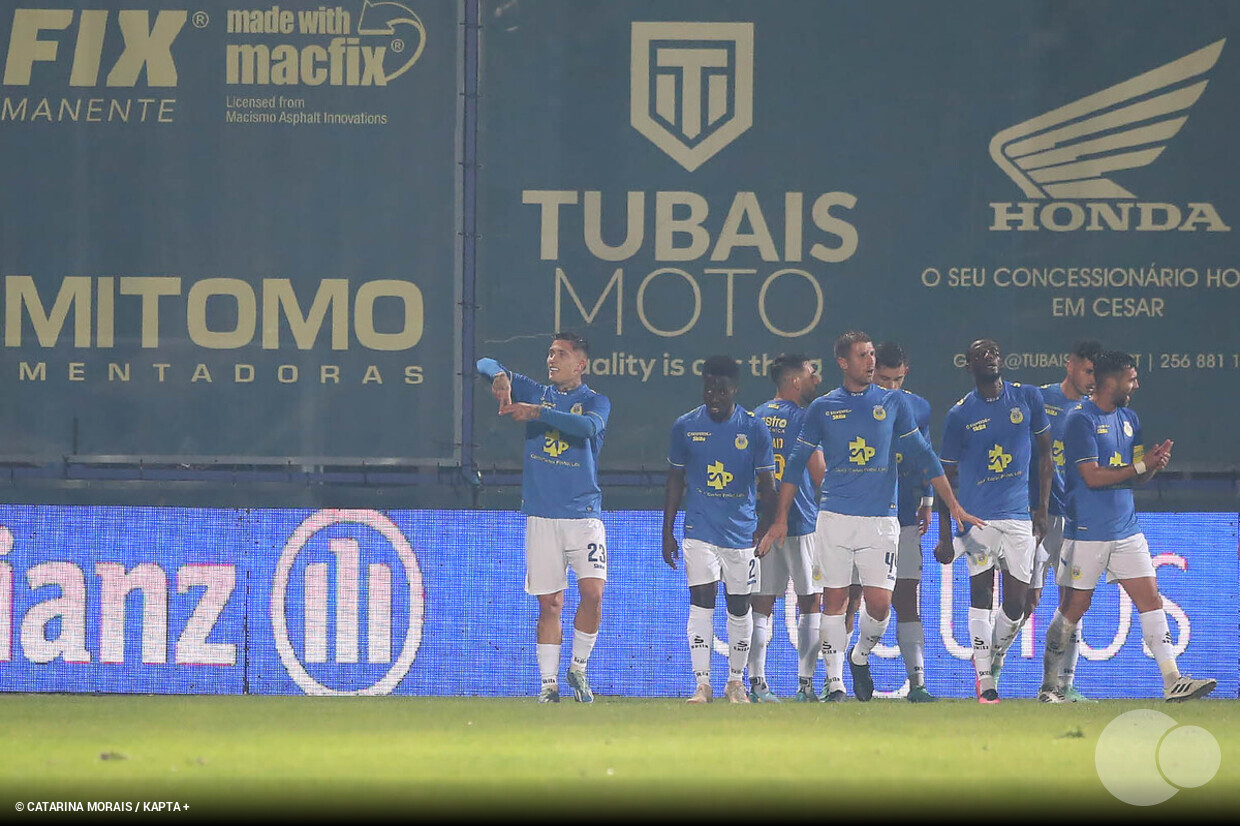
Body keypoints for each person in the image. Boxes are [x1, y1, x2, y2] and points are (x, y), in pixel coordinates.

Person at [759, 331, 984, 703]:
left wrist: (952, 503)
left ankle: (859, 654)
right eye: (862, 355)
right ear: (844, 363)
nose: (870, 361)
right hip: (833, 518)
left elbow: (925, 456)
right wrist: (781, 517)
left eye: (871, 354)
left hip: (881, 521)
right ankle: (834, 684)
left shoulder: (894, 403)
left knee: (879, 605)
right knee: (833, 600)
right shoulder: (824, 408)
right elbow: (796, 464)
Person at [1040, 350, 1215, 703]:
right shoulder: (1080, 421)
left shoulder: (1129, 418)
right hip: (1087, 531)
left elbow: (1131, 476)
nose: (1137, 384)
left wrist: (1152, 467)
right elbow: (1090, 476)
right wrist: (1139, 468)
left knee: (1150, 600)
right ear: (1110, 382)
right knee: (1074, 608)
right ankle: (1050, 686)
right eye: (1131, 378)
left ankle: (1173, 681)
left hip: (1126, 529)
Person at [476, 332, 610, 703]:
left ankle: (578, 669)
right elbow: (483, 363)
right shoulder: (535, 389)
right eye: (550, 353)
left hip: (583, 515)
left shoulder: (595, 401)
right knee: (549, 603)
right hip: (542, 516)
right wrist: (499, 376)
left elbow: (588, 428)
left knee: (593, 593)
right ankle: (548, 686)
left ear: (580, 364)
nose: (552, 359)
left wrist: (539, 413)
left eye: (561, 354)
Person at [933, 338, 1052, 704]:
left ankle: (990, 655)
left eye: (993, 353)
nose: (988, 358)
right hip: (977, 519)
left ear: (1002, 359)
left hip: (1019, 518)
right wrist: (944, 532)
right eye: (979, 355)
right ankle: (986, 680)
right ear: (968, 366)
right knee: (981, 595)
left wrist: (1042, 508)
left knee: (1017, 605)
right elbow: (945, 477)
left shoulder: (1027, 398)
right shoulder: (960, 415)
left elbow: (1046, 454)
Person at [664, 355, 777, 704]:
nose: (714, 396)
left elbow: (768, 485)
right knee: (701, 602)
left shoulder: (754, 428)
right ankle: (703, 683)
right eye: (709, 389)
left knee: (740, 608)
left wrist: (765, 526)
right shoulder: (685, 426)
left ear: (735, 389)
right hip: (699, 530)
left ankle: (736, 681)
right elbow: (674, 480)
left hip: (741, 534)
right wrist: (666, 530)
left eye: (722, 390)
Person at [1021, 340, 1103, 702]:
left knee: (1073, 601)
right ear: (1069, 365)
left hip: (1075, 520)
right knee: (1024, 600)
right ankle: (990, 672)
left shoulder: (1094, 411)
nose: (1092, 380)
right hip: (1035, 515)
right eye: (1087, 371)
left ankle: (1064, 685)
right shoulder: (1040, 399)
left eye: (1096, 375)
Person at [749, 354, 826, 702]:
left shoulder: (755, 416)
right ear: (794, 381)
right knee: (810, 602)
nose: (817, 379)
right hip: (801, 520)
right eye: (811, 373)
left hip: (761, 523)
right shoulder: (806, 418)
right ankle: (805, 684)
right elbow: (818, 471)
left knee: (761, 604)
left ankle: (756, 683)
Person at [871, 342, 937, 702]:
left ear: (905, 373)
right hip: (863, 518)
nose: (890, 387)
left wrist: (927, 501)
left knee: (907, 598)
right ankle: (835, 681)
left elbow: (925, 456)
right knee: (850, 600)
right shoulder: (856, 405)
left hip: (906, 516)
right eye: (883, 379)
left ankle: (918, 683)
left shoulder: (919, 408)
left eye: (896, 379)